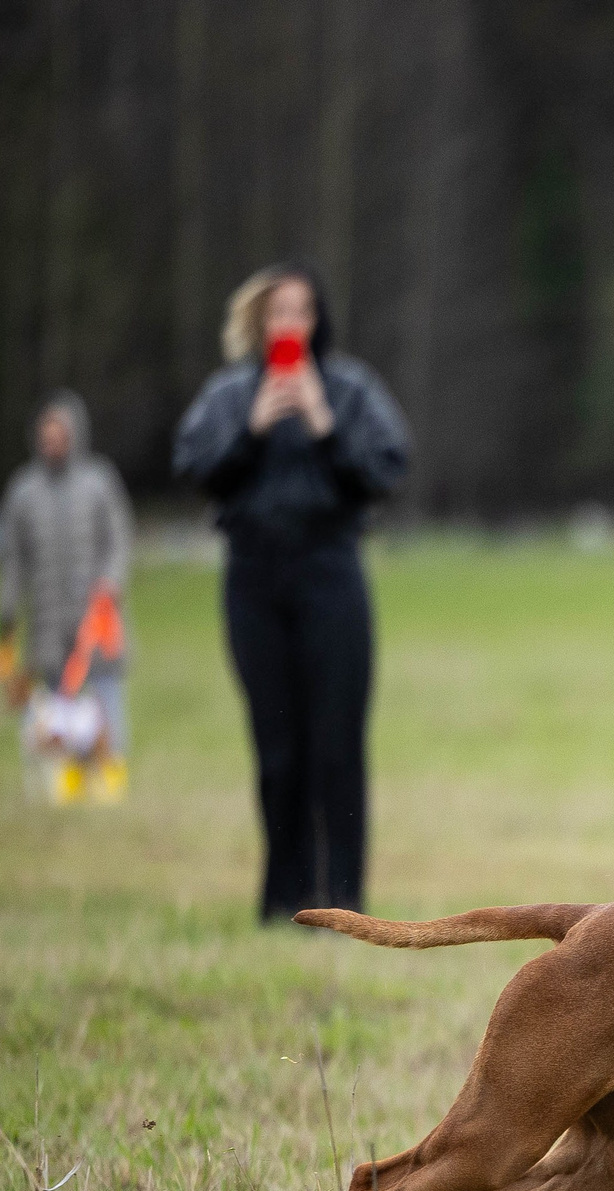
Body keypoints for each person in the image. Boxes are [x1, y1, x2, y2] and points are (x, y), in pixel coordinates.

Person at [173, 263, 410, 923]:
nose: (291, 325)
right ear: (258, 322)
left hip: (331, 574)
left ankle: (344, 900)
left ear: (318, 320)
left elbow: (385, 470)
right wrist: (252, 429)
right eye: (278, 312)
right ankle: (283, 901)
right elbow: (197, 469)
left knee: (337, 744)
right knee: (277, 749)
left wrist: (322, 422)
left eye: (302, 311)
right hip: (254, 579)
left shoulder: (350, 389)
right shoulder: (227, 396)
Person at [0, 392, 134, 800]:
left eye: (60, 434)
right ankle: (72, 776)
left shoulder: (98, 480)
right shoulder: (23, 491)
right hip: (48, 619)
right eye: (46, 435)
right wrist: (6, 609)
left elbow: (119, 539)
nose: (52, 442)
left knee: (104, 691)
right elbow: (13, 560)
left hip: (96, 615)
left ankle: (112, 773)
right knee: (62, 702)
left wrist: (110, 582)